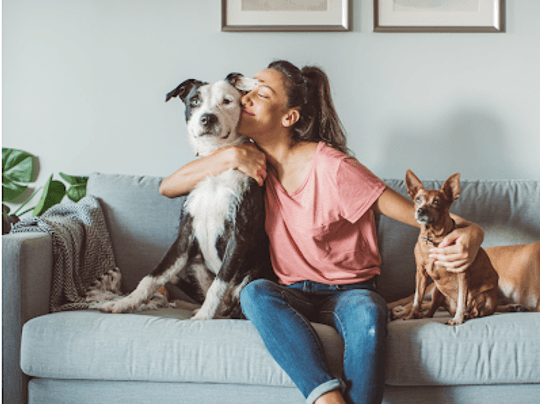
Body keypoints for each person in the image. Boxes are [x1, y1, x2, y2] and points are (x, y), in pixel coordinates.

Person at [159, 60, 484, 404]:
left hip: (349, 291)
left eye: (262, 93)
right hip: (292, 292)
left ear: (289, 117)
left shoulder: (333, 167)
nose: (247, 98)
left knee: (369, 314)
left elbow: (421, 216)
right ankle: (327, 398)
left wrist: (474, 234)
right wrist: (231, 156)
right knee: (255, 294)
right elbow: (169, 187)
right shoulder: (249, 161)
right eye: (248, 91)